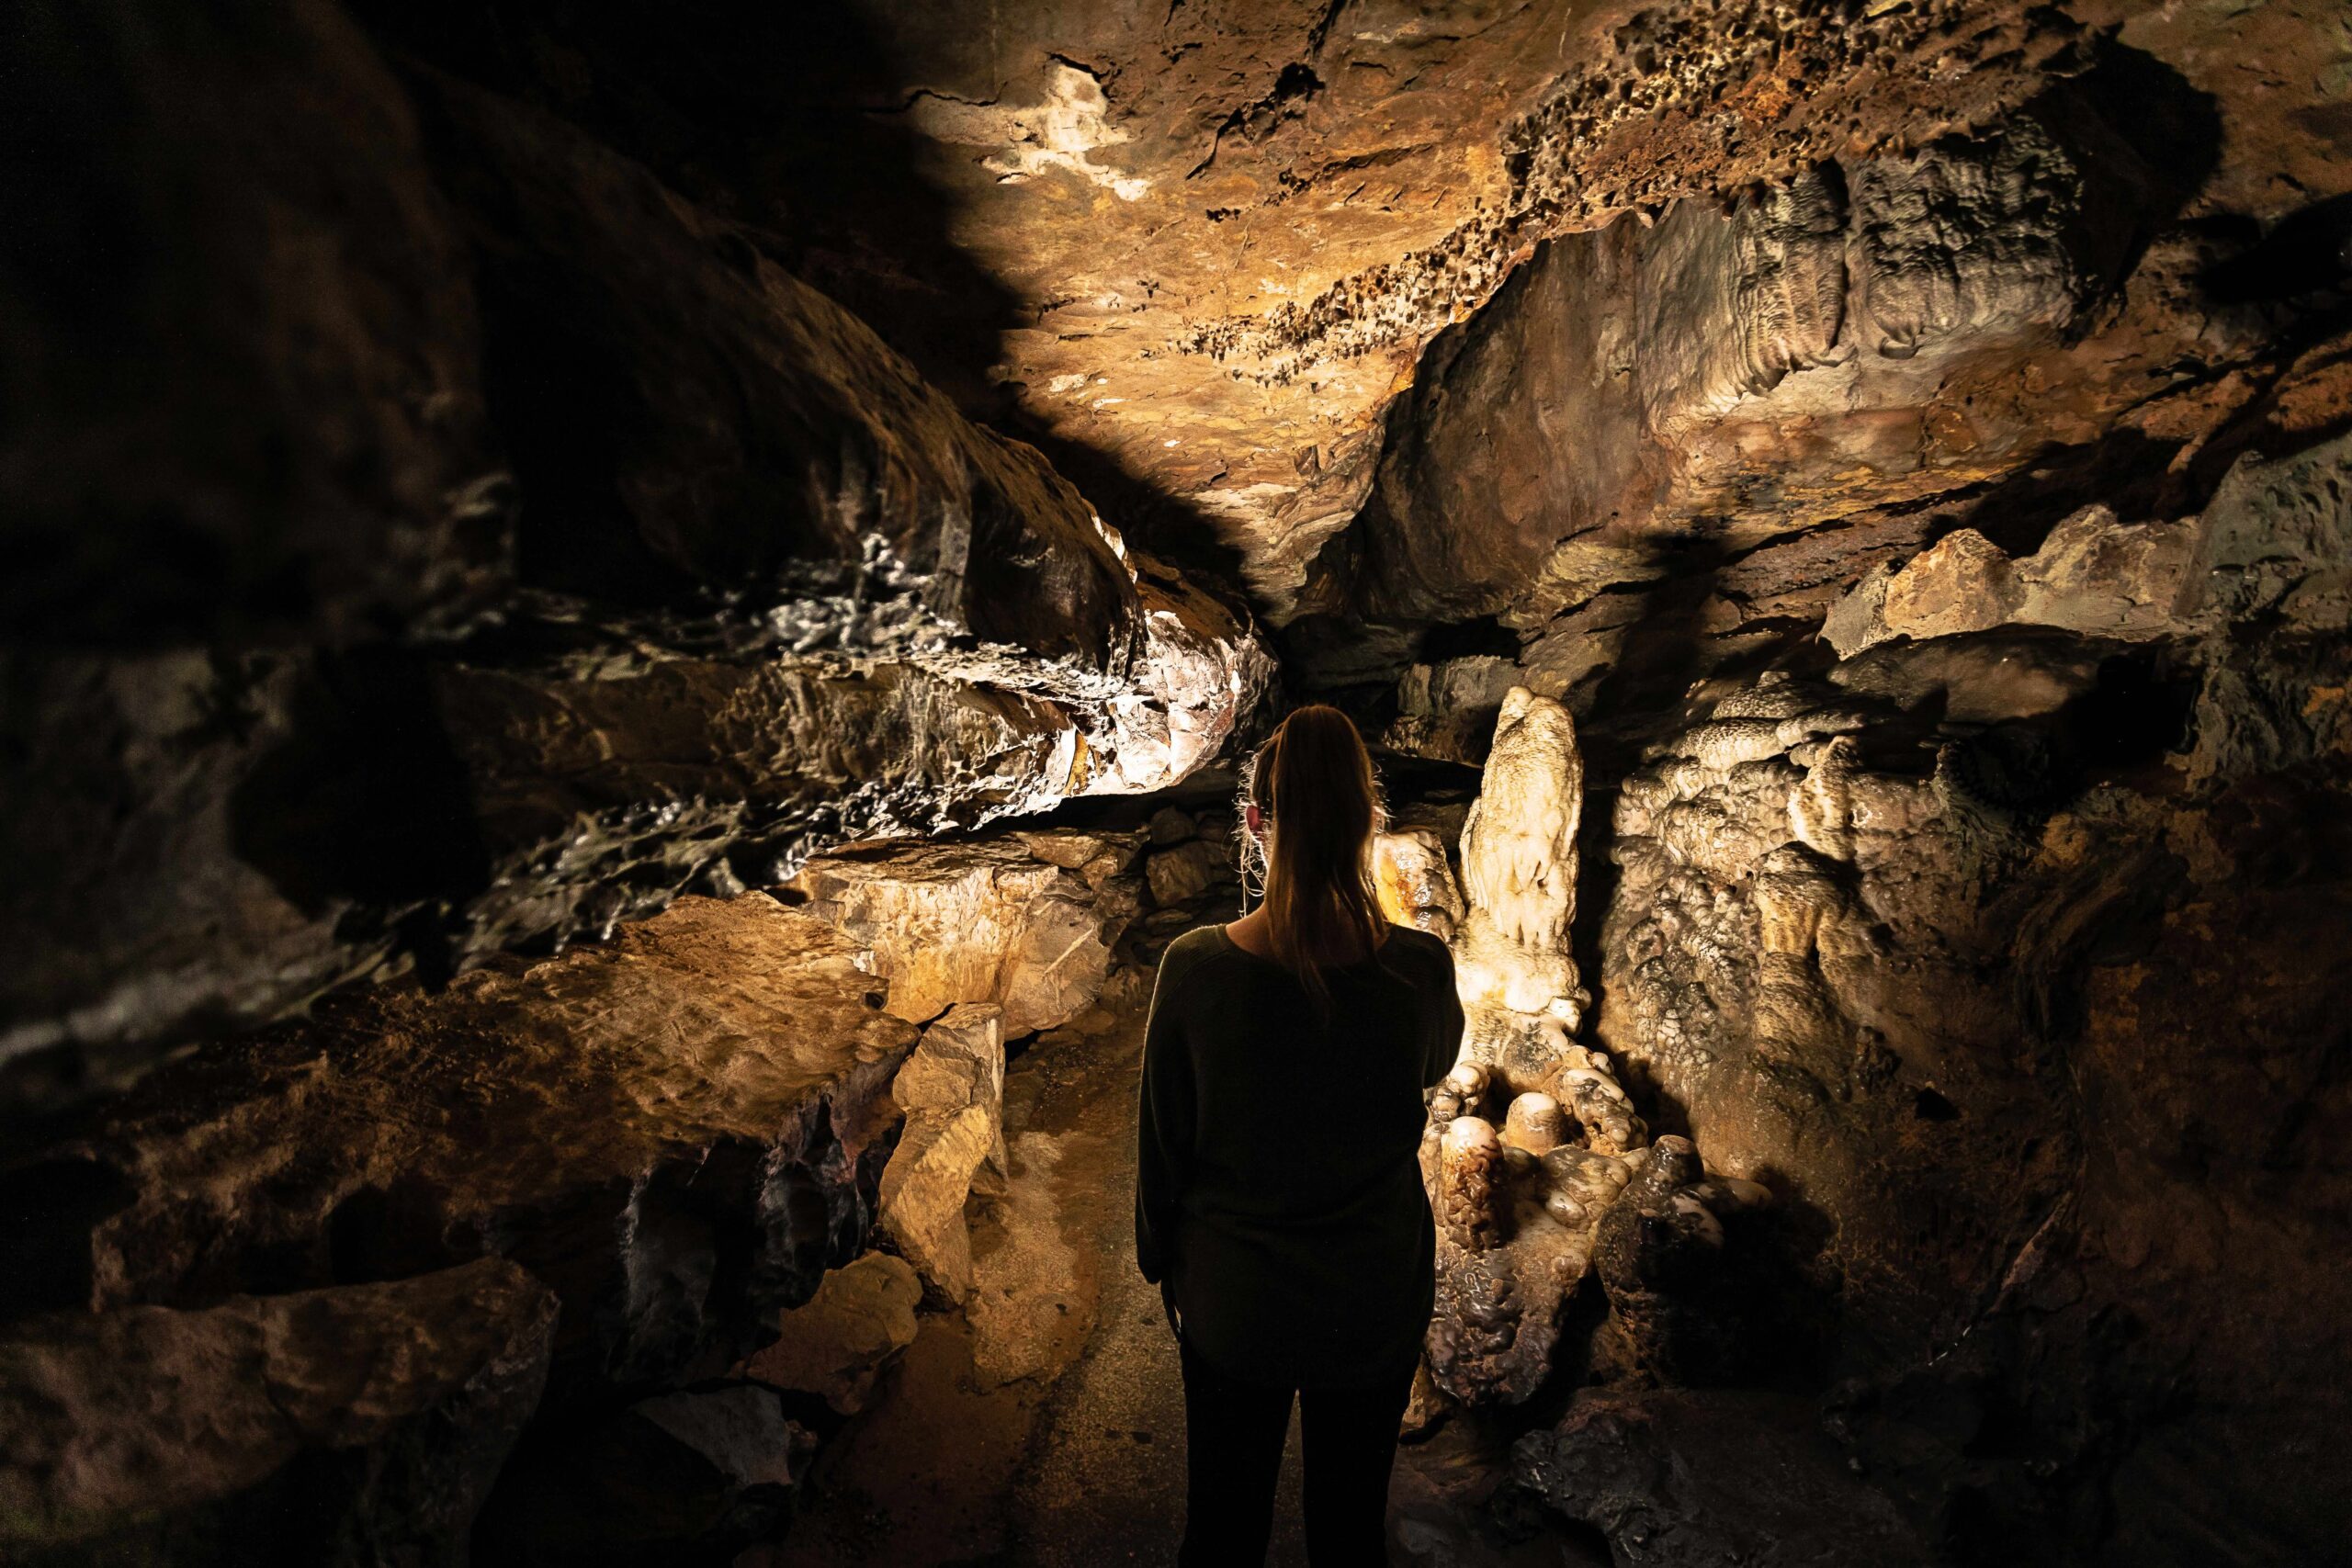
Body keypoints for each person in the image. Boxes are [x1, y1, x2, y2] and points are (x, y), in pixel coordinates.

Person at [1135, 705, 1465, 1566]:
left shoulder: (1197, 969)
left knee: (1223, 1529)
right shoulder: (1419, 967)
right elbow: (1433, 1064)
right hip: (1371, 1297)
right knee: (1350, 1532)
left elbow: (1162, 1150)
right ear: (1370, 822)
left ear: (1254, 821)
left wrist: (1162, 1261)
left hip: (1236, 1301)